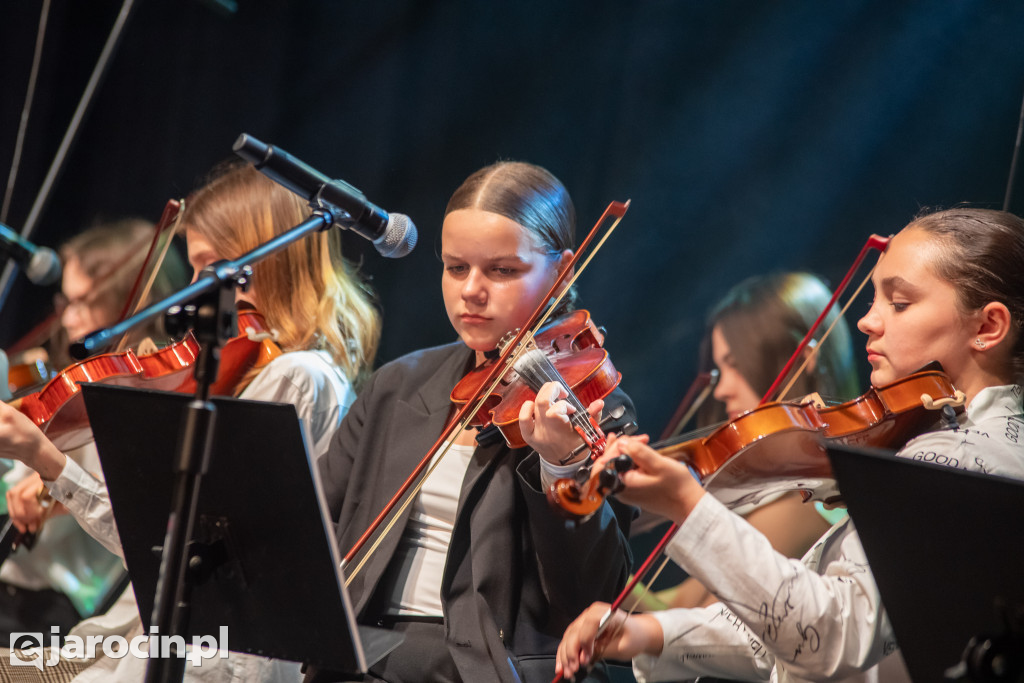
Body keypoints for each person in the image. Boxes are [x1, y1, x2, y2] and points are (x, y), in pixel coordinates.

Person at [555, 207, 1024, 683]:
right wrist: (654, 634)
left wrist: (688, 506)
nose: (866, 322)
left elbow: (830, 636)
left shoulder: (958, 459)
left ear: (987, 327)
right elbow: (798, 627)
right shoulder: (946, 442)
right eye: (874, 299)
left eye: (899, 304)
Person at [0, 161, 381, 681]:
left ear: (269, 261)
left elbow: (182, 559)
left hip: (213, 659)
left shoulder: (296, 377)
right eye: (198, 269)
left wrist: (48, 460)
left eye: (214, 267)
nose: (200, 289)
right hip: (139, 641)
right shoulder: (253, 370)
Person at [311, 161, 636, 683]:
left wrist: (561, 467)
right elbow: (311, 520)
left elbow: (594, 594)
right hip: (359, 658)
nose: (472, 291)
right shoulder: (399, 385)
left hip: (483, 667)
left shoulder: (596, 404)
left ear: (562, 271)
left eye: (503, 270)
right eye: (456, 267)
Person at [0, 217, 189, 642]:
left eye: (84, 303)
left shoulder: (154, 398)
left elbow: (137, 507)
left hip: (62, 606)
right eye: (65, 302)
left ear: (135, 301)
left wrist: (51, 486)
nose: (67, 318)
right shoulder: (76, 381)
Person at [650, 272, 860, 611]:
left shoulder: (814, 500)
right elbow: (676, 605)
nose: (721, 390)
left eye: (735, 365)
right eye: (720, 369)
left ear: (803, 359)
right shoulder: (779, 491)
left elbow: (692, 618)